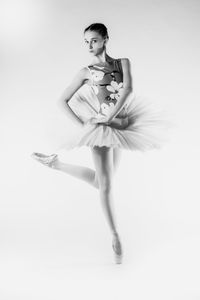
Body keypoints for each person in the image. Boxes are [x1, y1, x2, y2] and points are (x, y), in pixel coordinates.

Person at [31, 23, 170, 264]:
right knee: (106, 187)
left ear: (105, 39)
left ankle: (56, 164)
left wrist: (110, 116)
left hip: (119, 124)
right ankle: (115, 236)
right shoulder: (86, 71)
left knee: (102, 181)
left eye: (94, 40)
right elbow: (62, 100)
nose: (89, 45)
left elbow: (127, 90)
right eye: (86, 42)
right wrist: (85, 124)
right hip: (102, 129)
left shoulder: (122, 63)